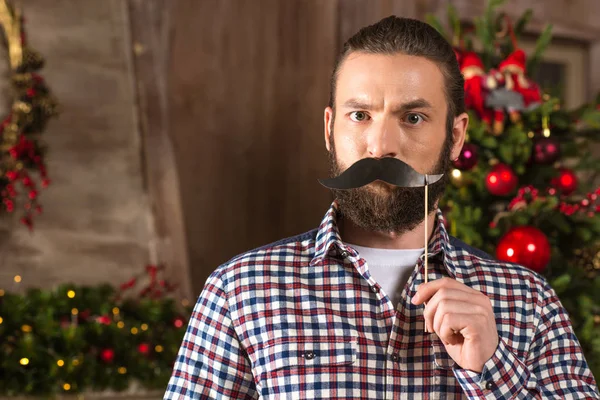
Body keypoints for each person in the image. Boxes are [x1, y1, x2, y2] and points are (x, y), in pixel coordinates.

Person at [163, 16, 600, 399]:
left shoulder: (529, 302)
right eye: (360, 116)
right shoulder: (239, 292)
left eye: (412, 118)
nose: (382, 146)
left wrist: (493, 368)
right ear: (331, 129)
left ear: (457, 136)